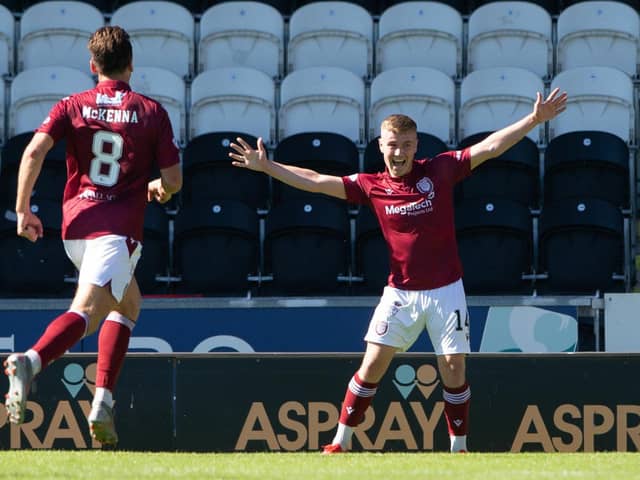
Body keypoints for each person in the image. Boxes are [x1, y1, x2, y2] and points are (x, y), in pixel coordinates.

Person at [229, 88, 567, 453]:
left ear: (416, 145)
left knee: (453, 368)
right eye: (393, 144)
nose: (399, 152)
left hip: (446, 289)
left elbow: (491, 147)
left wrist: (534, 120)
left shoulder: (439, 169)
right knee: (372, 365)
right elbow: (314, 180)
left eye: (406, 145)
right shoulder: (372, 186)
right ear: (380, 145)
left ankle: (460, 449)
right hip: (401, 293)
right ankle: (340, 442)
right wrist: (267, 166)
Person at [3, 26, 182, 446]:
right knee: (87, 309)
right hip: (116, 231)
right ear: (131, 64)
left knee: (129, 302)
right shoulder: (151, 111)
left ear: (93, 66)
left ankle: (102, 399)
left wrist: (23, 208)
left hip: (75, 228)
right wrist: (162, 188)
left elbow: (33, 151)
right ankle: (31, 360)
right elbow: (174, 178)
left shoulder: (72, 104)